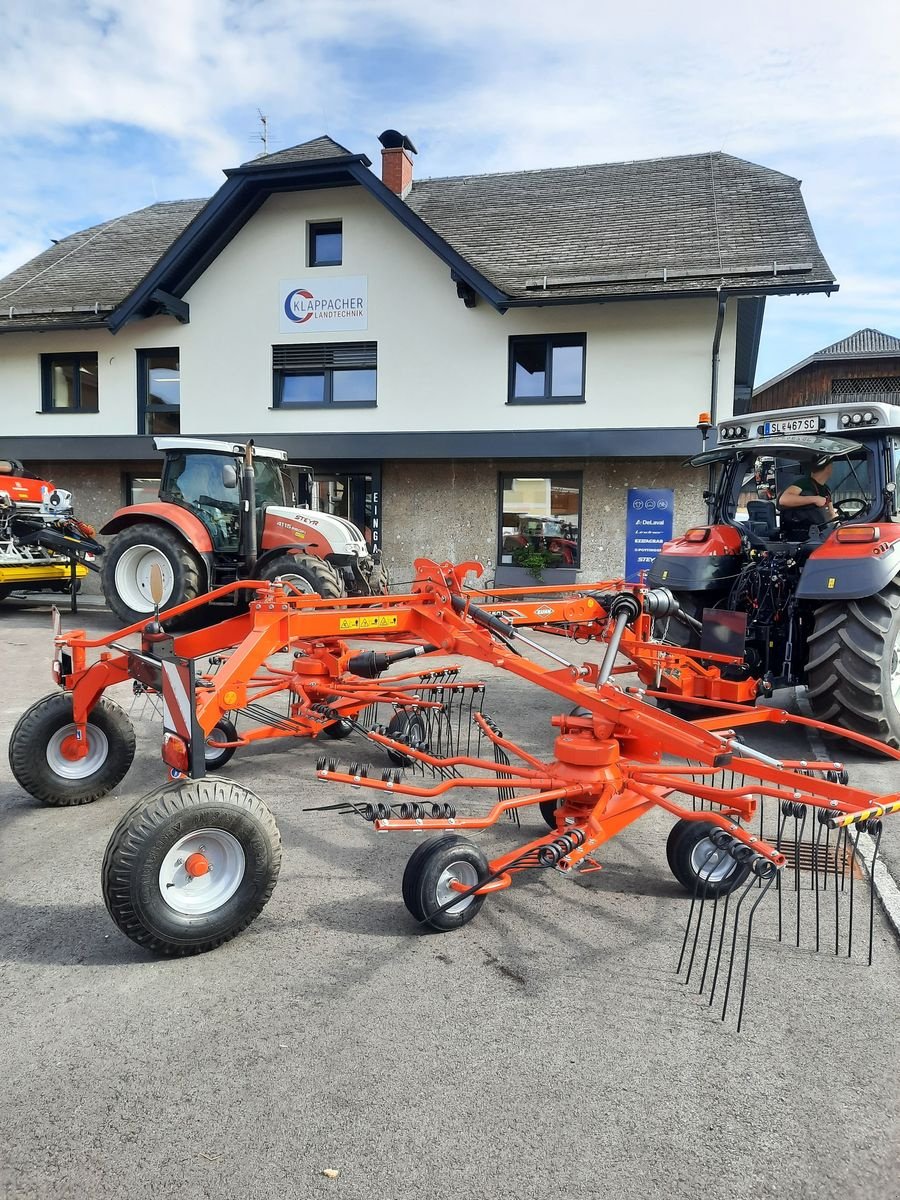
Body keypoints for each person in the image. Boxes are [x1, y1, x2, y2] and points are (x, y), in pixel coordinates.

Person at [777, 456, 835, 536]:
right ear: (828, 468)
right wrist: (815, 499)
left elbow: (831, 514)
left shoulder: (826, 489)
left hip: (821, 532)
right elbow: (783, 500)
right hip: (803, 534)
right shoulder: (805, 483)